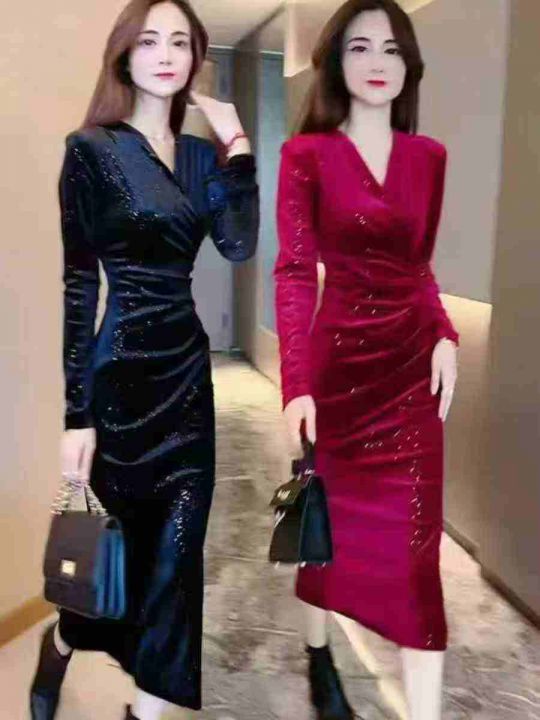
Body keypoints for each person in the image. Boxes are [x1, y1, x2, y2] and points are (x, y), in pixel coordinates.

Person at [29, 2, 259, 719]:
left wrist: (237, 143)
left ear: (195, 58)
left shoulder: (200, 158)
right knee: (114, 553)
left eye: (180, 42)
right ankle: (61, 643)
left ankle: (144, 709)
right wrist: (77, 415)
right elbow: (79, 286)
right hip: (119, 380)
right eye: (149, 40)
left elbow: (240, 243)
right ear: (125, 55)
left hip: (186, 382)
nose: (165, 54)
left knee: (176, 563)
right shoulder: (92, 149)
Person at [274, 1, 458, 719]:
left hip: (410, 379)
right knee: (323, 530)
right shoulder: (307, 156)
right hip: (338, 380)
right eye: (359, 47)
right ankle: (318, 652)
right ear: (335, 62)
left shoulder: (429, 158)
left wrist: (445, 333)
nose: (377, 61)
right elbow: (295, 271)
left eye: (390, 48)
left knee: (415, 562)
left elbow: (420, 268)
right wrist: (295, 385)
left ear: (409, 64)